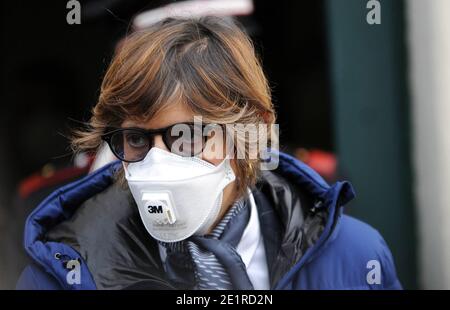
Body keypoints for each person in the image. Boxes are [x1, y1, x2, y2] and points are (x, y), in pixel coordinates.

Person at [16, 16, 401, 290]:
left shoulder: (354, 257)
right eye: (136, 139)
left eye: (187, 137)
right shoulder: (60, 274)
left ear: (253, 131)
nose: (158, 162)